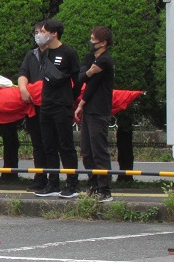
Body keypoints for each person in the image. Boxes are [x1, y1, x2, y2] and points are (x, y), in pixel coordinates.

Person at [33, 19, 81, 198]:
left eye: (44, 31)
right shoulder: (45, 53)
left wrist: (70, 98)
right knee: (48, 145)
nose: (40, 34)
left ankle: (72, 184)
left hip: (62, 105)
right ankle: (52, 183)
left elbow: (78, 79)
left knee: (65, 145)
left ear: (54, 33)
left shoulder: (68, 52)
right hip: (46, 104)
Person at [75, 26, 115, 202]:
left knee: (99, 150)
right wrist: (89, 71)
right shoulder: (91, 58)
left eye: (93, 39)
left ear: (103, 43)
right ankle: (93, 185)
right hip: (89, 109)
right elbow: (82, 77)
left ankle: (104, 189)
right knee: (86, 150)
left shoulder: (105, 61)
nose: (91, 42)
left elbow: (92, 84)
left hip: (99, 109)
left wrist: (80, 104)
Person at [18, 22, 51, 192]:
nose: (38, 35)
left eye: (42, 32)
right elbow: (23, 73)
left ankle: (53, 180)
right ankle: (40, 178)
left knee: (51, 143)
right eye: (36, 32)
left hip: (50, 104)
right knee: (37, 143)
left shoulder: (56, 53)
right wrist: (23, 88)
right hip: (32, 105)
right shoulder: (31, 55)